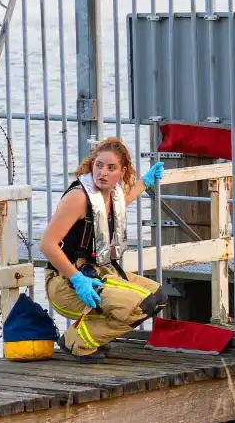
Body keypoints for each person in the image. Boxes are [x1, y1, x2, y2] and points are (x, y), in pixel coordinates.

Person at [38, 138, 167, 362]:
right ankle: (77, 341)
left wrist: (145, 182)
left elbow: (118, 205)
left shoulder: (111, 193)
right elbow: (47, 244)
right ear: (91, 165)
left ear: (122, 171)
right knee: (140, 304)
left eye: (111, 168)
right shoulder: (78, 197)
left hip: (98, 274)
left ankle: (90, 336)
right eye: (98, 165)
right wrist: (77, 279)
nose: (103, 173)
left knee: (158, 296)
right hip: (66, 283)